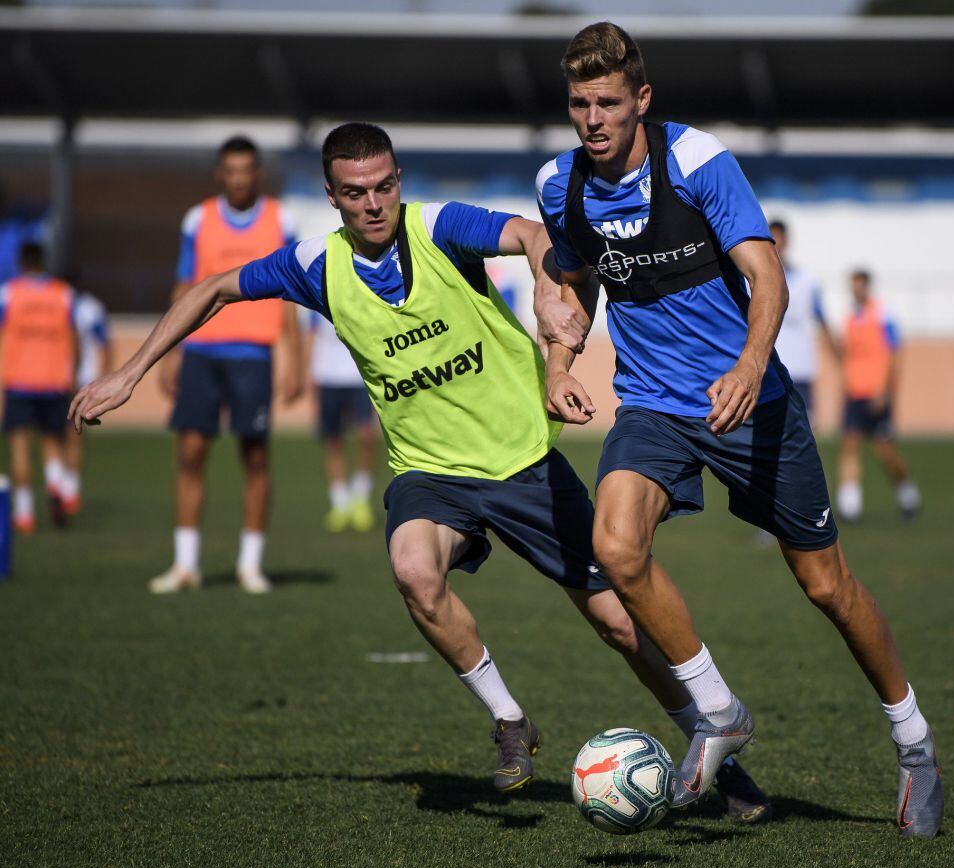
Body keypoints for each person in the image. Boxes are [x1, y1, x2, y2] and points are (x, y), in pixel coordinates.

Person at [70, 122, 771, 818]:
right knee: (413, 571)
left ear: (398, 180)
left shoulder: (439, 227)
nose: (373, 204)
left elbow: (535, 236)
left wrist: (544, 290)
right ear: (332, 196)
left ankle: (720, 758)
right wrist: (130, 373)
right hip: (428, 474)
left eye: (384, 186)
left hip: (522, 461)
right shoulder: (316, 265)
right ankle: (510, 720)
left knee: (621, 628)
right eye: (355, 193)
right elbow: (214, 289)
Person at [535, 22, 942, 837]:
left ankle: (915, 744)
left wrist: (752, 366)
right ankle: (719, 710)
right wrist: (557, 363)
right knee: (615, 548)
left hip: (752, 404)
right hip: (654, 405)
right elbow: (572, 281)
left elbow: (767, 275)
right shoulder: (559, 185)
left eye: (608, 102)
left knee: (827, 587)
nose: (593, 119)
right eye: (579, 104)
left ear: (641, 99)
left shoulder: (696, 161)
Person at [152, 136, 302, 595]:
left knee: (255, 457)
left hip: (252, 355)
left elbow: (292, 292)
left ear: (257, 174)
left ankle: (250, 565)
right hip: (201, 351)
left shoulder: (281, 219)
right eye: (230, 171)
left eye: (245, 170)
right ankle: (185, 565)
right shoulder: (198, 219)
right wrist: (170, 351)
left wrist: (295, 357)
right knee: (190, 454)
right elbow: (185, 287)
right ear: (220, 174)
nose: (238, 179)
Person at [0, 242, 79, 532]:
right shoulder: (63, 293)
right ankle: (55, 484)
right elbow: (73, 337)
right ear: (44, 262)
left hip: (19, 379)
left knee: (19, 446)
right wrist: (72, 372)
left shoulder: (9, 293)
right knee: (52, 441)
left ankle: (24, 514)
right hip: (54, 379)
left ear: (21, 263)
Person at [833, 269, 921, 523]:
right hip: (854, 392)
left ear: (867, 286)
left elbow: (894, 353)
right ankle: (850, 505)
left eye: (859, 286)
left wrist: (886, 389)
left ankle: (907, 494)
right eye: (853, 286)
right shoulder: (849, 318)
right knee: (849, 444)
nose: (856, 291)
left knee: (884, 450)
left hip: (877, 392)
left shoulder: (883, 314)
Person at [305, 309, 379, 533]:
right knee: (333, 440)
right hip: (327, 376)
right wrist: (310, 378)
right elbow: (312, 335)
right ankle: (340, 502)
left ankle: (361, 496)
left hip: (359, 375)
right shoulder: (315, 293)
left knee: (366, 435)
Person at [63, 284, 113, 515]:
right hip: (78, 380)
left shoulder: (83, 306)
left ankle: (64, 487)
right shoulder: (90, 308)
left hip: (64, 379)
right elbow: (106, 346)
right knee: (73, 436)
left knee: (59, 436)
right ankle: (69, 490)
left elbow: (104, 346)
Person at [769, 219, 828, 417]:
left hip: (801, 367)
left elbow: (821, 318)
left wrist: (839, 359)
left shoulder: (807, 279)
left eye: (779, 237)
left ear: (787, 240)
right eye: (772, 238)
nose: (776, 243)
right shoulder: (752, 279)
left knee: (805, 422)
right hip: (769, 365)